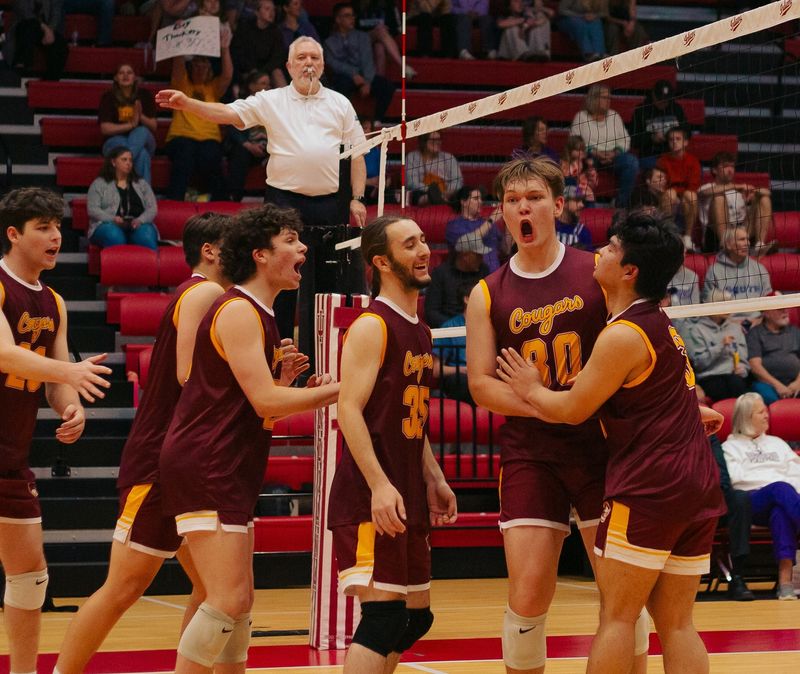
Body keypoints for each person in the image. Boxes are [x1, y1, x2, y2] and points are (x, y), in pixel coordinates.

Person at [495, 209, 726, 674]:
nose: (600, 252)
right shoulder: (660, 324)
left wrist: (530, 387)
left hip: (649, 486)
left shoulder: (621, 334)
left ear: (629, 270)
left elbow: (572, 409)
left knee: (617, 618)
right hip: (697, 483)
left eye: (612, 247)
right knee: (678, 624)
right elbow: (654, 390)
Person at [465, 158, 648, 674]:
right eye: (512, 199)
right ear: (501, 213)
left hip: (601, 448)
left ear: (558, 205)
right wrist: (546, 402)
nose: (524, 206)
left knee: (620, 596)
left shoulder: (596, 272)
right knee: (526, 596)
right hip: (531, 452)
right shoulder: (486, 293)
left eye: (535, 197)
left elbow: (640, 341)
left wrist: (571, 405)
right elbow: (480, 384)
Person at [159, 205, 340, 674]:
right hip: (206, 463)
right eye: (290, 240)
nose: (303, 248)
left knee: (239, 602)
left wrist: (293, 388)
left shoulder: (260, 313)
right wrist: (343, 389)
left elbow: (253, 403)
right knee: (226, 598)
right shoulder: (239, 309)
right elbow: (265, 402)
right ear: (260, 254)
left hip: (227, 462)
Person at [53, 213, 237, 674]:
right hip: (160, 461)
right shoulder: (205, 292)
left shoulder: (210, 296)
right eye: (235, 241)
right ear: (211, 251)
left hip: (185, 459)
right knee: (123, 588)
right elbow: (189, 376)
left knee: (216, 590)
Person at [156, 35, 368, 362]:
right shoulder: (272, 100)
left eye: (314, 57)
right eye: (301, 58)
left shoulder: (340, 103)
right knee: (279, 282)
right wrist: (188, 104)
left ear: (323, 65)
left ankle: (323, 362)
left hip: (329, 204)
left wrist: (357, 197)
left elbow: (356, 155)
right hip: (284, 202)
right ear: (289, 66)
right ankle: (276, 359)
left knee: (327, 287)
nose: (308, 63)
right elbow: (227, 112)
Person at [328, 215, 457, 673]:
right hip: (371, 495)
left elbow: (410, 420)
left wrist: (434, 477)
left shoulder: (419, 329)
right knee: (383, 619)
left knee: (415, 618)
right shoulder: (372, 325)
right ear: (381, 261)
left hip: (406, 494)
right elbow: (349, 409)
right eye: (409, 245)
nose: (424, 250)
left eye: (423, 240)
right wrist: (380, 485)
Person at [0, 187, 111, 674]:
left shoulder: (55, 302)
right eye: (42, 227)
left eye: (58, 226)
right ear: (13, 234)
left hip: (10, 456)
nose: (55, 235)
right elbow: (4, 353)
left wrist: (72, 409)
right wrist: (68, 374)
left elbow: (55, 379)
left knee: (30, 579)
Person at [722, 392, 800, 600]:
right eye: (761, 412)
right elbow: (736, 481)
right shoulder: (730, 447)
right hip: (751, 502)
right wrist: (772, 485)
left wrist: (781, 490)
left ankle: (785, 584)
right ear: (746, 417)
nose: (767, 415)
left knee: (780, 513)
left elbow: (797, 474)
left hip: (785, 499)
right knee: (780, 489)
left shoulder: (777, 443)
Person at [163, 26, 233, 202]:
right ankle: (175, 201)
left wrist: (224, 49)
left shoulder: (213, 88)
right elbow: (178, 67)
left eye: (204, 64)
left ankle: (219, 203)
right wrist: (179, 37)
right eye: (197, 64)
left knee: (211, 156)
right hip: (181, 137)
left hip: (209, 140)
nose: (201, 67)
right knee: (185, 154)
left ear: (209, 68)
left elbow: (227, 75)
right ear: (191, 67)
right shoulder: (182, 84)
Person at [325, 2, 397, 123]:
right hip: (346, 77)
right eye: (347, 16)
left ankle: (377, 119)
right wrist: (353, 74)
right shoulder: (329, 42)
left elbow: (367, 60)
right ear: (338, 19)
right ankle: (344, 121)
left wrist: (367, 82)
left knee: (387, 86)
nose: (352, 19)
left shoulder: (362, 37)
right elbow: (334, 64)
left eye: (353, 15)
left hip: (364, 76)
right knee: (340, 86)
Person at [570, 84, 639, 207]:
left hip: (614, 156)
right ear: (594, 98)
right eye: (604, 98)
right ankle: (588, 205)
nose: (608, 101)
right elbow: (574, 141)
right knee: (582, 164)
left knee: (631, 162)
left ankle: (620, 205)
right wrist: (594, 151)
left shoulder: (614, 116)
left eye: (609, 98)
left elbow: (625, 139)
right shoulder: (581, 117)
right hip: (590, 155)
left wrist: (615, 152)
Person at [697, 152, 775, 255]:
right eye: (725, 167)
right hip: (714, 238)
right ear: (714, 170)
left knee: (764, 199)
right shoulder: (707, 187)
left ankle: (759, 245)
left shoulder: (741, 190)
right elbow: (703, 193)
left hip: (741, 232)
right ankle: (725, 246)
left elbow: (767, 192)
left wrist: (754, 193)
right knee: (719, 197)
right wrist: (737, 187)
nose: (730, 170)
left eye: (732, 167)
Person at [87, 146, 159, 251]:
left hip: (137, 224)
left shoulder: (141, 183)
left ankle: (149, 266)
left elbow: (152, 208)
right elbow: (92, 209)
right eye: (124, 159)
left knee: (146, 237)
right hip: (108, 224)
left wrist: (140, 220)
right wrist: (112, 219)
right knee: (114, 235)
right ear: (113, 162)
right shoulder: (99, 183)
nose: (128, 163)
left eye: (130, 160)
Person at [685, 289, 750, 402]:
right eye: (723, 304)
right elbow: (699, 364)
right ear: (711, 306)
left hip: (733, 374)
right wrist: (720, 346)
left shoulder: (735, 328)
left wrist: (742, 369)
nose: (728, 308)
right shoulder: (697, 330)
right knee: (719, 388)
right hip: (709, 376)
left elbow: (743, 357)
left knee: (738, 385)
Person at [98, 63, 158, 185]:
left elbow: (153, 126)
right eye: (121, 73)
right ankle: (141, 197)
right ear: (115, 78)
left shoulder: (144, 95)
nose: (125, 75)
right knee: (143, 156)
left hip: (143, 139)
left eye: (129, 72)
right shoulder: (109, 97)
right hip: (115, 141)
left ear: (135, 77)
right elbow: (105, 128)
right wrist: (131, 125)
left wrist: (139, 116)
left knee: (141, 131)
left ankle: (120, 184)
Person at [701, 224, 773, 319]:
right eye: (742, 239)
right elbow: (708, 306)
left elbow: (769, 303)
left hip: (757, 322)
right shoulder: (714, 271)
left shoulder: (759, 268)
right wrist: (731, 323)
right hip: (727, 322)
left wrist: (760, 321)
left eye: (747, 239)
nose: (747, 243)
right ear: (728, 245)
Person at [425, 232, 489, 329]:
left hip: (479, 326)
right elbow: (432, 312)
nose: (481, 258)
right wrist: (456, 326)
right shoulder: (441, 273)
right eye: (478, 255)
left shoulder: (483, 270)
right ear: (465, 255)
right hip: (449, 330)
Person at [746, 293, 800, 405]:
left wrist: (797, 383)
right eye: (780, 309)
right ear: (767, 313)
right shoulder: (755, 333)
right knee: (766, 396)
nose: (785, 311)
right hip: (768, 384)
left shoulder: (795, 331)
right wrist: (778, 386)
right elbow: (755, 366)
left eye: (785, 308)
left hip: (795, 382)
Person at [225, 70, 270, 202]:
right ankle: (234, 198)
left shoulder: (274, 105)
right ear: (251, 86)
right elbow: (232, 129)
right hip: (247, 146)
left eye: (269, 84)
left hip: (269, 147)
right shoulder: (241, 103)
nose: (268, 87)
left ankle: (276, 202)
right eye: (263, 84)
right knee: (240, 153)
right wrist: (249, 145)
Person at [655, 127, 700, 251]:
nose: (674, 142)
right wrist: (674, 192)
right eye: (671, 140)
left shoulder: (693, 161)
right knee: (670, 194)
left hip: (685, 197)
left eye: (678, 139)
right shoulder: (662, 161)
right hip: (668, 196)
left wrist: (677, 191)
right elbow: (661, 185)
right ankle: (668, 234)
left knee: (690, 196)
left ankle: (687, 237)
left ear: (685, 142)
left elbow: (693, 187)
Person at [3, 0, 69, 80]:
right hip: (24, 28)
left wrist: (50, 30)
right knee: (29, 27)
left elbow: (56, 14)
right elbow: (24, 12)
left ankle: (51, 80)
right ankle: (22, 67)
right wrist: (44, 28)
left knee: (61, 45)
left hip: (45, 30)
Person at [629, 79, 686, 170]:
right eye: (660, 100)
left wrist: (672, 136)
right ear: (653, 95)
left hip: (673, 153)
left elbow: (687, 133)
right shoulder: (641, 111)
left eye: (666, 100)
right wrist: (651, 138)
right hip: (650, 155)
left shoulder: (677, 109)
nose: (663, 103)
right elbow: (634, 140)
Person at [231, 0, 288, 89]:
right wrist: (251, 70)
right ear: (257, 12)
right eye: (267, 9)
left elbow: (278, 57)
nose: (272, 13)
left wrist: (263, 71)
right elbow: (238, 53)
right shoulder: (244, 28)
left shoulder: (276, 32)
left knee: (277, 73)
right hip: (248, 70)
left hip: (267, 70)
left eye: (273, 10)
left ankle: (285, 102)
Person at [445, 186, 503, 272]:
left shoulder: (489, 224)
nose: (480, 202)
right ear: (463, 202)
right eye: (476, 199)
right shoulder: (454, 226)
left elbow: (506, 250)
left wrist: (509, 223)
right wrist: (491, 219)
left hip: (495, 277)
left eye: (481, 199)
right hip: (470, 277)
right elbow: (470, 242)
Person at [354, 0, 414, 78]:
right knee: (380, 30)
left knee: (379, 46)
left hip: (381, 38)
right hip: (359, 39)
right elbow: (352, 28)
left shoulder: (388, 4)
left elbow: (396, 29)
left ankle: (378, 82)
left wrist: (388, 30)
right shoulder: (357, 4)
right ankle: (402, 65)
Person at [407, 132, 464, 206]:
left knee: (462, 193)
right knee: (415, 194)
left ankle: (439, 199)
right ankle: (431, 198)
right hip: (424, 193)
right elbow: (412, 183)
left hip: (448, 194)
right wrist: (433, 191)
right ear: (423, 142)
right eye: (433, 140)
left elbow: (457, 181)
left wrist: (447, 192)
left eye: (439, 139)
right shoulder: (412, 157)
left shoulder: (449, 158)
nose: (438, 142)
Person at [556, 184, 592, 250]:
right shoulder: (549, 226)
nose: (582, 205)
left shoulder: (582, 232)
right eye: (577, 200)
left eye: (582, 201)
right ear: (563, 202)